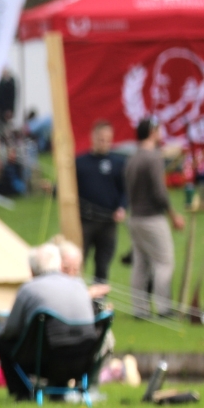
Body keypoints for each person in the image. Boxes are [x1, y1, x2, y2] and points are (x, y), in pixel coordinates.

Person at [124, 117, 185, 317]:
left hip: (134, 218)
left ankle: (139, 309)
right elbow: (159, 193)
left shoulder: (132, 158)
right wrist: (173, 215)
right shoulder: (152, 158)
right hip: (151, 218)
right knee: (164, 262)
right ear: (152, 132)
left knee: (141, 265)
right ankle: (164, 308)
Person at [76, 120, 128, 285]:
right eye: (101, 138)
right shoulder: (80, 163)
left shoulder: (117, 163)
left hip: (108, 223)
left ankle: (99, 303)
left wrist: (122, 208)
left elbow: (125, 190)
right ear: (93, 137)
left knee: (103, 264)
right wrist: (52, 189)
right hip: (85, 222)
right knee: (78, 261)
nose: (104, 142)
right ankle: (77, 298)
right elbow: (68, 191)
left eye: (108, 139)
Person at [0, 69, 18, 134]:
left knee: (6, 128)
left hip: (6, 110)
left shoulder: (10, 83)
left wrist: (10, 109)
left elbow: (11, 97)